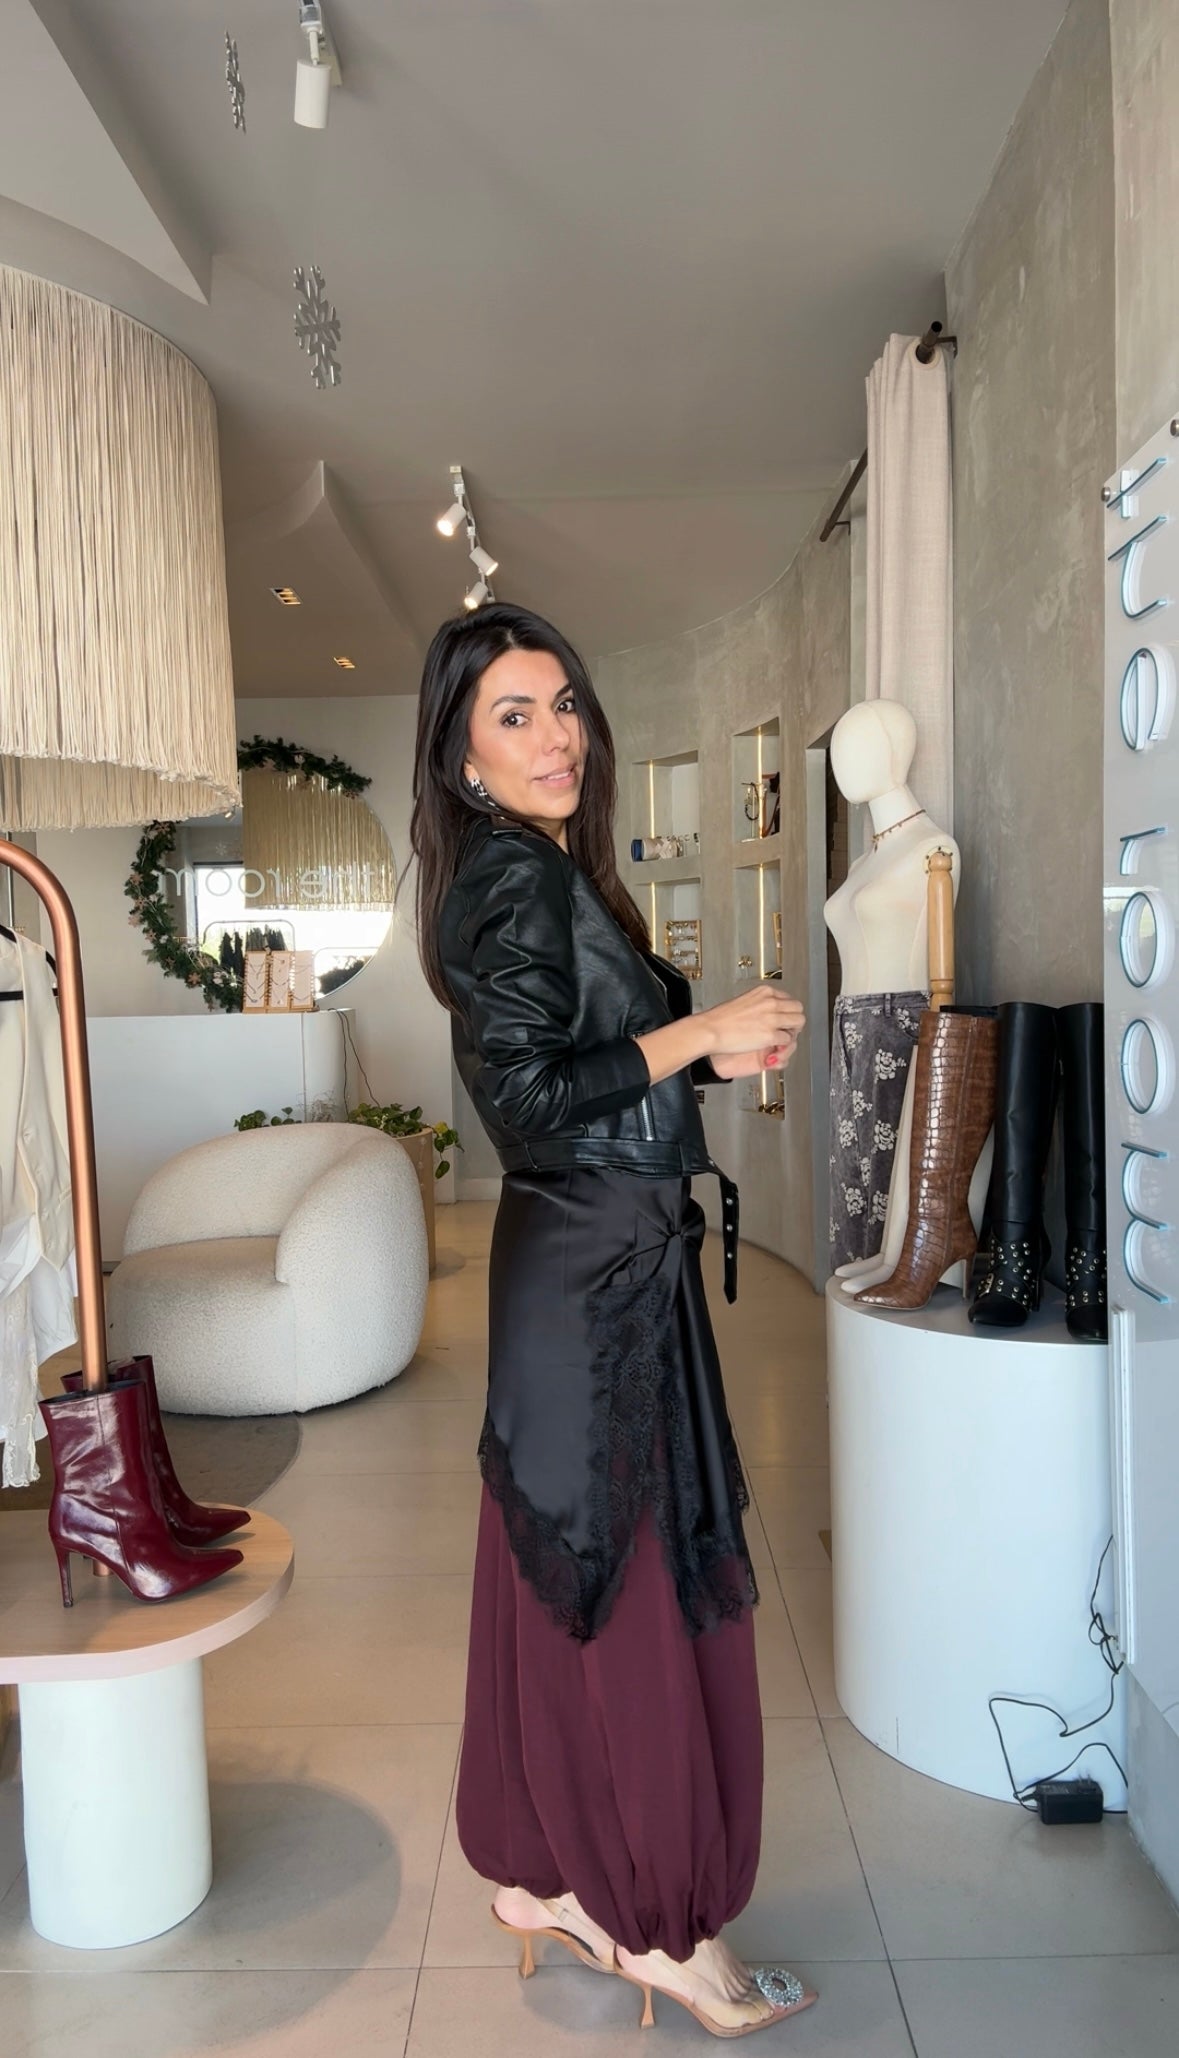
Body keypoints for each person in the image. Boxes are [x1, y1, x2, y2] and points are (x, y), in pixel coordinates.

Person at [409, 601, 815, 2038]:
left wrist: (696, 1054)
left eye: (564, 702)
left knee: (584, 1573)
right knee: (628, 1583)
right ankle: (658, 1926)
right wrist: (699, 1033)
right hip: (593, 1275)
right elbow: (527, 1101)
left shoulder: (539, 870)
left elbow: (582, 1065)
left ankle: (550, 1877)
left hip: (599, 1262)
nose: (556, 736)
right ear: (462, 756)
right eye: (514, 715)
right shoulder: (512, 878)